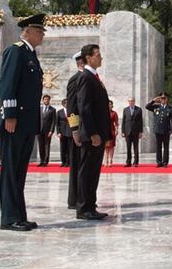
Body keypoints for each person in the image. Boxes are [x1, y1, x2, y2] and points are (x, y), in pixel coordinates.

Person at [0, 14, 45, 231]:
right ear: (27, 31)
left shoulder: (31, 55)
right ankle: (9, 218)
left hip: (27, 122)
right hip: (15, 121)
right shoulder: (15, 51)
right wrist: (10, 115)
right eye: (39, 30)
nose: (42, 34)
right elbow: (7, 84)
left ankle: (19, 214)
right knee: (11, 169)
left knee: (19, 170)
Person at [75, 44, 110, 220]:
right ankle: (83, 207)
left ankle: (90, 204)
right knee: (87, 171)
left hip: (98, 133)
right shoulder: (86, 78)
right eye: (98, 55)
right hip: (92, 134)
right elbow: (85, 108)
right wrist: (93, 133)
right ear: (88, 58)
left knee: (93, 171)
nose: (100, 57)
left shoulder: (94, 77)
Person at [65, 51, 86, 210]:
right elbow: (71, 106)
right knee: (77, 166)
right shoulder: (75, 79)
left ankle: (83, 197)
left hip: (87, 129)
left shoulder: (87, 78)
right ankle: (75, 199)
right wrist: (75, 129)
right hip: (79, 130)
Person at [146, 92, 172, 167]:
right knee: (158, 146)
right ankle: (159, 162)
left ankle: (165, 162)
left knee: (166, 147)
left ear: (167, 99)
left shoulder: (170, 108)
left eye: (164, 98)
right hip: (158, 129)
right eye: (161, 98)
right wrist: (153, 100)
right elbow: (147, 106)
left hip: (166, 130)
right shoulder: (156, 107)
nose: (163, 100)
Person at [121, 97, 143, 167]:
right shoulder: (125, 110)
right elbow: (123, 121)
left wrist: (140, 131)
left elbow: (141, 121)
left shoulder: (139, 109)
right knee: (128, 147)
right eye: (130, 101)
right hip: (127, 131)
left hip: (135, 131)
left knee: (136, 148)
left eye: (132, 101)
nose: (131, 102)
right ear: (128, 102)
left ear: (134, 101)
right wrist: (123, 131)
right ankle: (128, 162)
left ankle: (136, 162)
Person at [36, 94, 56, 167]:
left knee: (47, 146)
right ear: (43, 100)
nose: (46, 100)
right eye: (45, 99)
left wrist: (51, 131)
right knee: (41, 146)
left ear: (49, 100)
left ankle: (46, 161)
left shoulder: (52, 110)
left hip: (48, 131)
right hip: (40, 130)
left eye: (47, 99)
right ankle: (41, 160)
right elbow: (37, 120)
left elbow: (54, 121)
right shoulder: (39, 109)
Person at [56, 98, 72, 167]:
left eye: (67, 103)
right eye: (65, 103)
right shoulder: (59, 112)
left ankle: (68, 162)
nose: (66, 104)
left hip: (69, 132)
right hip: (62, 132)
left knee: (69, 148)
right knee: (63, 148)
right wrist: (58, 132)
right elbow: (57, 123)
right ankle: (63, 161)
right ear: (63, 104)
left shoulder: (71, 112)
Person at [103, 101, 118, 167]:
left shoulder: (114, 113)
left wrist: (117, 130)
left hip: (111, 130)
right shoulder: (103, 113)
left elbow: (116, 123)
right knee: (106, 147)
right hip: (105, 131)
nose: (109, 106)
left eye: (110, 104)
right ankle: (105, 160)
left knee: (111, 146)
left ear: (112, 105)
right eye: (108, 104)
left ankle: (110, 160)